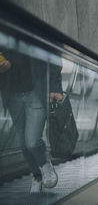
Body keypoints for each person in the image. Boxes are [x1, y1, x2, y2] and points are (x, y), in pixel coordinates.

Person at [0, 47, 63, 193]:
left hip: (35, 93)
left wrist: (56, 87)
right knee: (23, 144)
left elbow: (53, 53)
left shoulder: (30, 28)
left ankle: (45, 165)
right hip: (12, 96)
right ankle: (37, 177)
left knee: (32, 142)